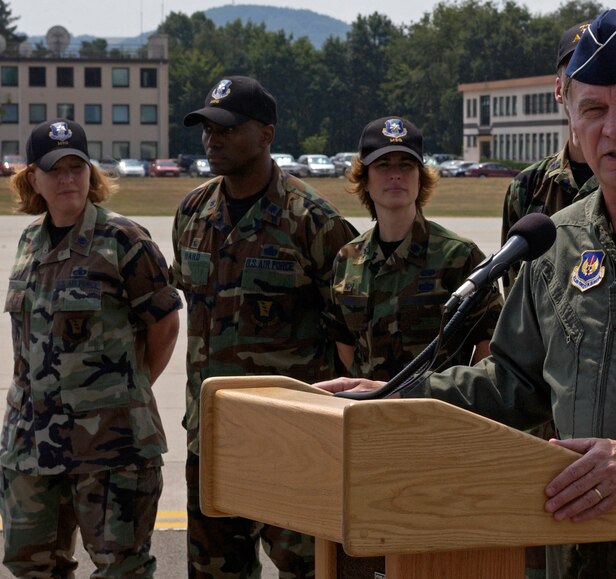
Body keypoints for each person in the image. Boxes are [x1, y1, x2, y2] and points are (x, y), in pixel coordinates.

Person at [319, 9, 616, 577]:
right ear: (572, 122)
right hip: (572, 550)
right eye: (594, 109)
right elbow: (513, 382)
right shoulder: (556, 238)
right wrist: (400, 396)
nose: (614, 127)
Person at [172, 76, 357, 578]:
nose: (213, 139)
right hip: (210, 437)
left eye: (228, 128)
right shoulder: (191, 212)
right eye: (207, 128)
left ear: (267, 134)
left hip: (290, 441)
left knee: (308, 569)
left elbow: (349, 336)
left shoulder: (313, 221)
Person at [0, 119, 181, 577]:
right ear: (32, 180)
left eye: (76, 167)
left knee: (121, 567)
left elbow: (164, 324)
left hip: (111, 447)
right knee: (30, 564)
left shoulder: (124, 240)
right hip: (30, 446)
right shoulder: (29, 242)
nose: (67, 179)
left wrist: (127, 391)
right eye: (55, 169)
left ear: (90, 173)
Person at [329, 116, 502, 380]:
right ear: (365, 179)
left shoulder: (458, 256)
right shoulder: (347, 259)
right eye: (383, 165)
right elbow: (344, 343)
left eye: (407, 165)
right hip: (367, 412)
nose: (395, 174)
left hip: (434, 413)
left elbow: (490, 342)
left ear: (420, 178)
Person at [500, 20, 595, 297]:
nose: (587, 80)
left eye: (597, 67)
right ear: (558, 88)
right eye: (576, 70)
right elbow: (516, 295)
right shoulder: (527, 187)